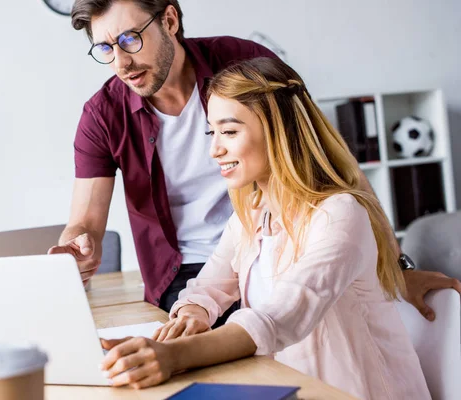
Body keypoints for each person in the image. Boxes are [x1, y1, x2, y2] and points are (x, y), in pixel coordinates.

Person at [47, 0, 461, 320]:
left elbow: (334, 164)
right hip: (187, 273)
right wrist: (78, 245)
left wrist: (399, 268)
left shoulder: (245, 64)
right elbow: (85, 222)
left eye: (129, 40)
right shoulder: (102, 114)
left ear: (169, 21)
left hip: (282, 248)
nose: (121, 62)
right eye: (104, 47)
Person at [97, 57, 431, 399]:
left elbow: (280, 317)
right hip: (288, 386)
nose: (214, 149)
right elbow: (210, 285)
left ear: (278, 129)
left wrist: (172, 355)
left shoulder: (339, 214)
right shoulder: (253, 212)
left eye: (229, 132)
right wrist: (192, 313)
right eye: (212, 132)